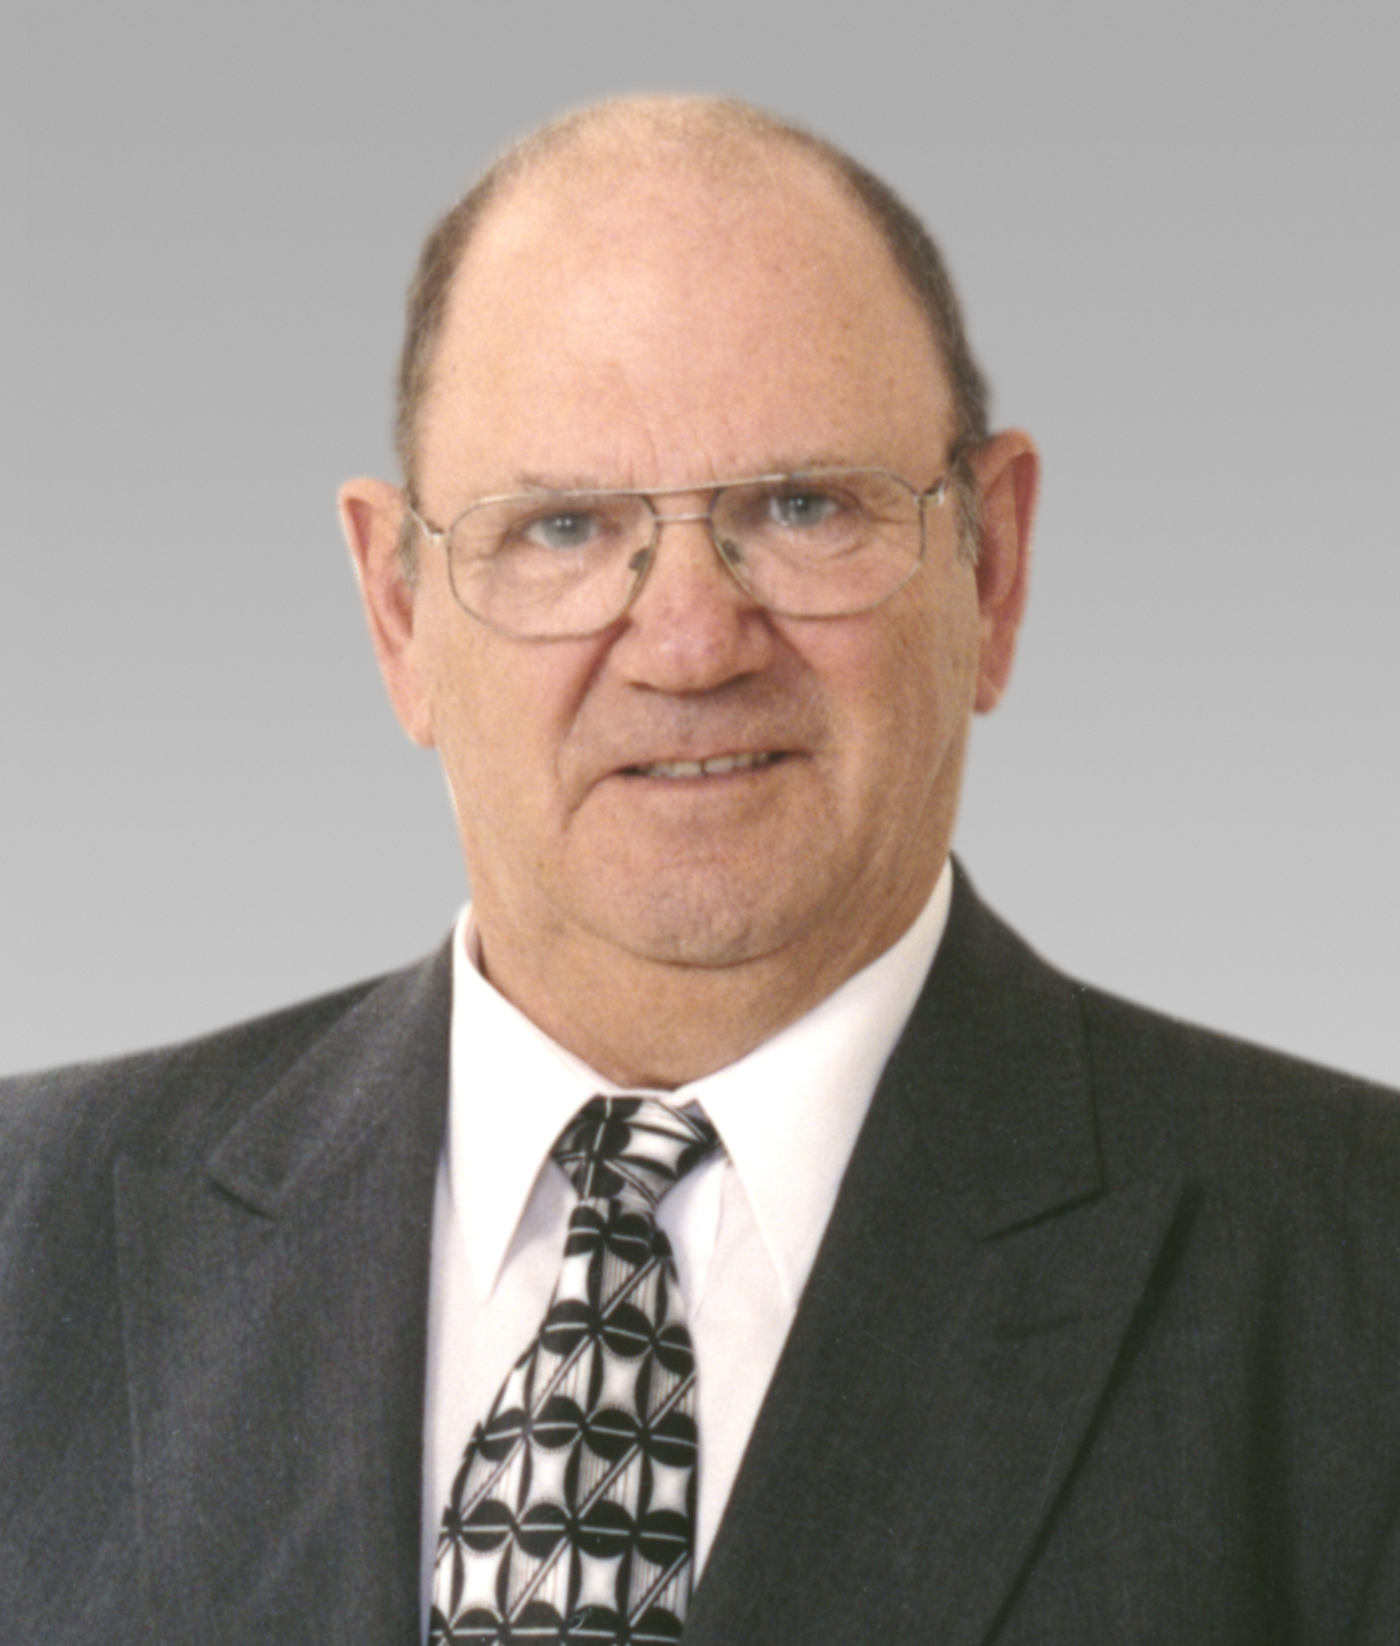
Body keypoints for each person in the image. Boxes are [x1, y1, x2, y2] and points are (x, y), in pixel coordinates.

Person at [2, 95, 1397, 1646]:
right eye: (560, 528)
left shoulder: (1360, 1273)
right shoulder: (22, 1238)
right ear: (398, 615)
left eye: (803, 508)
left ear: (992, 568)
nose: (688, 642)